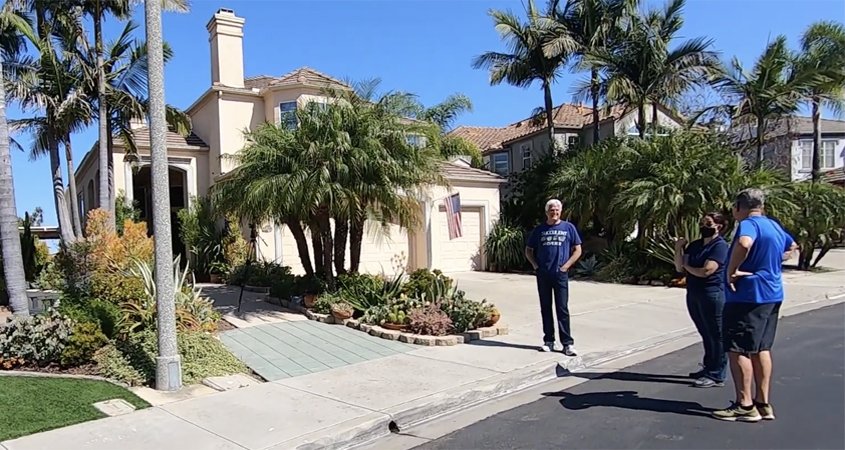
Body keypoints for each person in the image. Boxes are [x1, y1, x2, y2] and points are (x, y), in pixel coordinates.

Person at [713, 188, 798, 422]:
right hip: (771, 294)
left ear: (740, 207)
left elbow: (744, 242)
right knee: (761, 348)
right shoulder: (774, 225)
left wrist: (731, 271)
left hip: (747, 296)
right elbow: (791, 246)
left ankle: (745, 404)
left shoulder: (749, 224)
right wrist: (774, 261)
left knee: (738, 349)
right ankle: (763, 402)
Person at [674, 213, 729, 388]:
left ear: (719, 226)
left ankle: (717, 373)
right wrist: (678, 248)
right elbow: (678, 266)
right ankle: (708, 366)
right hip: (694, 292)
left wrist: (687, 267)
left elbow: (707, 270)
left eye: (708, 223)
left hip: (712, 293)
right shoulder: (695, 245)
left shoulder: (720, 246)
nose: (703, 225)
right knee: (704, 331)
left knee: (716, 333)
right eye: (702, 222)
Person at [525, 199, 583, 356]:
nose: (554, 212)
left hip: (560, 275)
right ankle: (549, 341)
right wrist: (536, 266)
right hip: (543, 274)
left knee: (562, 308)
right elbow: (529, 250)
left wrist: (566, 266)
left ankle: (567, 344)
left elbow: (577, 250)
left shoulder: (568, 228)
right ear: (547, 212)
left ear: (561, 211)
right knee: (546, 307)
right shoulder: (539, 230)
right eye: (551, 210)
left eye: (557, 210)